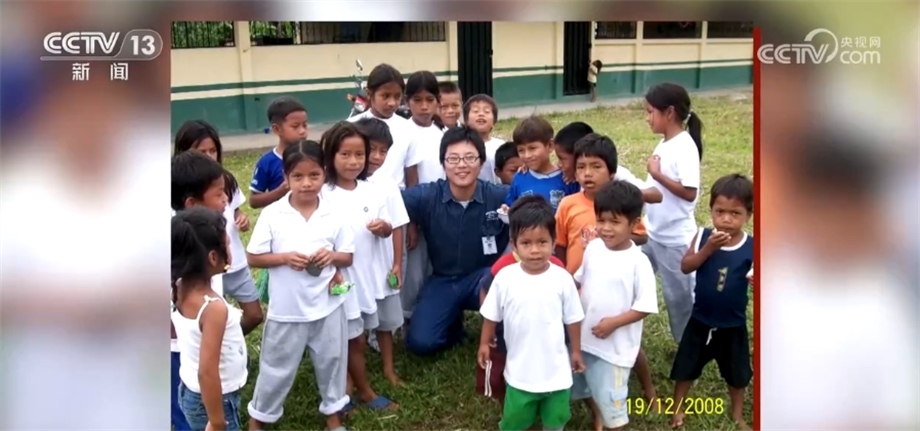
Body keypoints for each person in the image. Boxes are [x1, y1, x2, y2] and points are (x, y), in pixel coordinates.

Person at [245, 140, 353, 431]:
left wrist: (332, 256)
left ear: (325, 173)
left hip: (327, 305)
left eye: (314, 175)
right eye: (298, 176)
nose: (307, 183)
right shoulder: (273, 213)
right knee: (276, 366)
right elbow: (253, 256)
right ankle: (259, 418)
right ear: (286, 177)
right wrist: (284, 258)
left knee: (332, 361)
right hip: (287, 309)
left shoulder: (334, 213)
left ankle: (333, 413)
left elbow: (347, 255)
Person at [553, 134, 656, 403]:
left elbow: (642, 236)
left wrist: (610, 239)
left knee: (627, 347)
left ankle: (648, 388)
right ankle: (591, 397)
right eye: (581, 167)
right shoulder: (568, 204)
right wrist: (564, 276)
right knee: (581, 341)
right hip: (579, 285)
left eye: (596, 167)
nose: (587, 174)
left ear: (611, 171)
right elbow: (560, 245)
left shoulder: (622, 204)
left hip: (614, 290)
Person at [478, 195, 585, 431]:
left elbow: (573, 318)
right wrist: (484, 343)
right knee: (515, 421)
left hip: (557, 374)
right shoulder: (505, 277)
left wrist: (576, 351)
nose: (535, 250)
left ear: (554, 242)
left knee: (555, 420)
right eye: (526, 243)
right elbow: (491, 314)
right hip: (519, 373)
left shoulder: (562, 279)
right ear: (514, 244)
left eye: (542, 242)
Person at [401, 125, 509, 355]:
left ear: (481, 162)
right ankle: (452, 322)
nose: (461, 165)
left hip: (485, 278)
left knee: (502, 293)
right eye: (453, 159)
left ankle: (502, 332)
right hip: (444, 279)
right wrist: (409, 221)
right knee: (421, 343)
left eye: (470, 158)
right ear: (443, 163)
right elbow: (389, 202)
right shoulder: (428, 195)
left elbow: (536, 208)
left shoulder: (499, 195)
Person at [319, 122, 403, 408]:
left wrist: (383, 228)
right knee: (352, 338)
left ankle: (353, 384)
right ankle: (364, 392)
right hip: (340, 278)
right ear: (330, 155)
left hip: (369, 275)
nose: (353, 162)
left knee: (362, 332)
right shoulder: (322, 193)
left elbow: (389, 226)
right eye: (345, 154)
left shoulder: (371, 189)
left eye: (359, 155)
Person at [570, 181, 658, 431]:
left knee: (613, 405)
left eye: (614, 222)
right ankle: (598, 415)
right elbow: (579, 281)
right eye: (601, 220)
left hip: (615, 351)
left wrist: (613, 323)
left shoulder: (638, 262)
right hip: (585, 340)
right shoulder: (594, 248)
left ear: (634, 223)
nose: (606, 228)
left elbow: (645, 306)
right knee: (587, 385)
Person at [670, 174, 753, 430]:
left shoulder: (752, 246)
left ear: (749, 215)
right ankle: (678, 408)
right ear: (711, 210)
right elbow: (686, 266)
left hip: (733, 324)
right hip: (700, 320)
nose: (726, 219)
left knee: (737, 375)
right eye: (720, 212)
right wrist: (708, 249)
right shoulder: (702, 236)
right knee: (685, 368)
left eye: (735, 213)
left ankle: (737, 414)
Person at [173, 120, 264, 334]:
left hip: (234, 266)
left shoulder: (223, 180)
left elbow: (235, 209)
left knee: (252, 315)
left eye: (212, 150)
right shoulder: (179, 218)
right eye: (201, 151)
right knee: (211, 323)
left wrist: (240, 217)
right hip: (204, 274)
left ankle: (226, 340)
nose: (208, 156)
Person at [171, 208, 248, 431]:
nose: (230, 248)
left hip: (190, 391)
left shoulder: (179, 286)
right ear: (213, 257)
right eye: (228, 244)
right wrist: (216, 421)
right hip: (214, 400)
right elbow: (207, 373)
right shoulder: (212, 308)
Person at [170, 151, 230, 431]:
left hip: (195, 350)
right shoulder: (186, 243)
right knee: (190, 414)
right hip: (183, 352)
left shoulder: (200, 236)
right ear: (192, 204)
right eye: (219, 193)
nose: (226, 199)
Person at [642, 82, 704, 344]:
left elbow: (690, 192)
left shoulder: (684, 146)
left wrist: (657, 174)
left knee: (679, 301)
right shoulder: (665, 143)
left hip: (674, 240)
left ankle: (689, 349)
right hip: (651, 233)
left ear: (669, 112)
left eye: (650, 112)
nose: (647, 118)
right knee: (635, 282)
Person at [347, 63, 422, 189]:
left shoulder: (408, 128)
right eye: (385, 96)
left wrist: (411, 198)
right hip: (361, 195)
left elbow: (411, 170)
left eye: (397, 96)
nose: (392, 103)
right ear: (369, 94)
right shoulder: (352, 126)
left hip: (398, 195)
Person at [553, 121, 662, 204]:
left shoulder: (612, 171)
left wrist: (617, 194)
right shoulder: (565, 178)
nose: (558, 164)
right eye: (581, 167)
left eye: (562, 159)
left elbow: (655, 195)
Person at [503, 116, 580, 211]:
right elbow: (511, 208)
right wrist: (506, 210)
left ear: (550, 146)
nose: (527, 155)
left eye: (532, 148)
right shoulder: (519, 178)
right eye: (521, 150)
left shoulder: (568, 178)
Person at [250, 96, 309, 209]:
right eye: (295, 126)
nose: (302, 131)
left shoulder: (313, 156)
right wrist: (281, 191)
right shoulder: (267, 162)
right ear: (277, 129)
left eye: (305, 125)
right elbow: (254, 201)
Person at [406, 71, 447, 185]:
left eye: (430, 100)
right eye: (417, 100)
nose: (424, 107)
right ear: (407, 101)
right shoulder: (402, 132)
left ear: (438, 100)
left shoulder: (443, 132)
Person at [464, 94, 505, 184]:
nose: (481, 114)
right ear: (466, 120)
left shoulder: (501, 146)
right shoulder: (461, 145)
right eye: (475, 111)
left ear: (494, 122)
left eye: (486, 112)